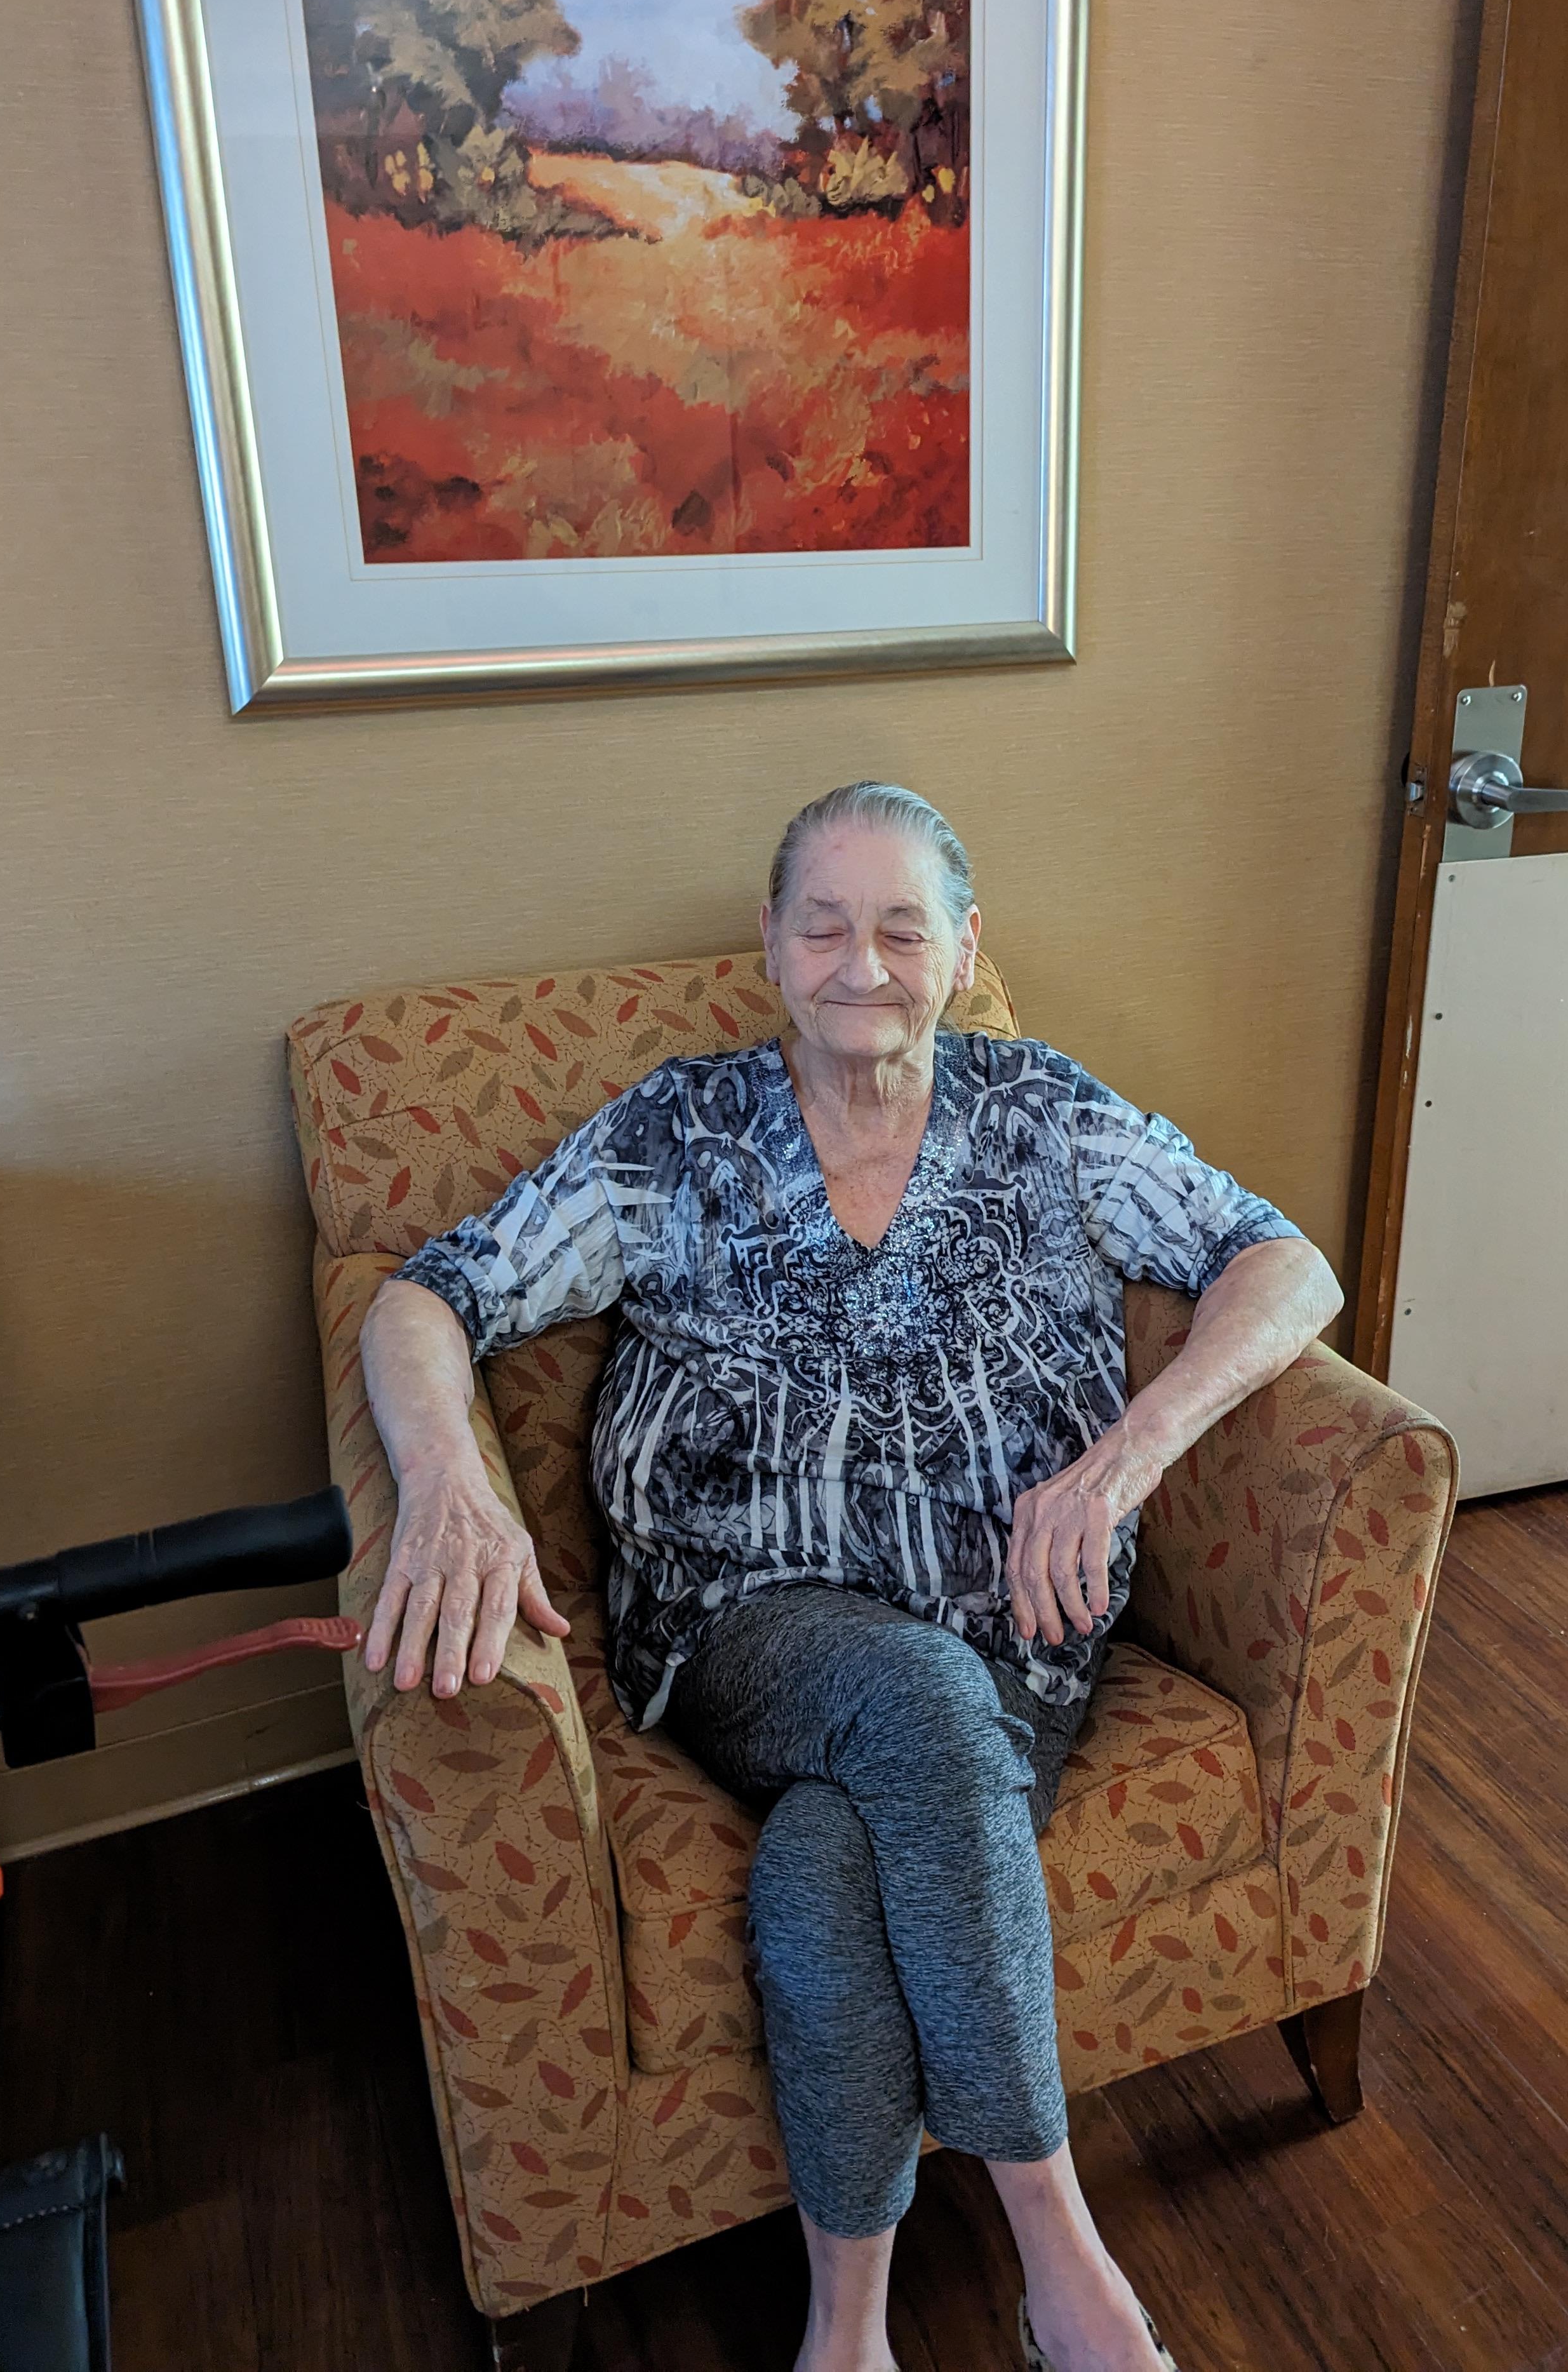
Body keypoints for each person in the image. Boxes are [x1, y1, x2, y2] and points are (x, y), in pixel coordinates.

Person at [358, 782, 1342, 2372]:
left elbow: (1284, 1260)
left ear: (966, 948)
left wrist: (1125, 1458)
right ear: (769, 943)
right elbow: (421, 1301)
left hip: (1026, 1634)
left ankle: (849, 2330)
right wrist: (451, 1486)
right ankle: (1061, 2257)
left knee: (821, 1867)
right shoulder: (674, 1134)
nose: (860, 963)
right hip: (747, 1623)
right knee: (912, 1690)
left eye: (902, 927)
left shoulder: (1045, 1115)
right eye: (824, 923)